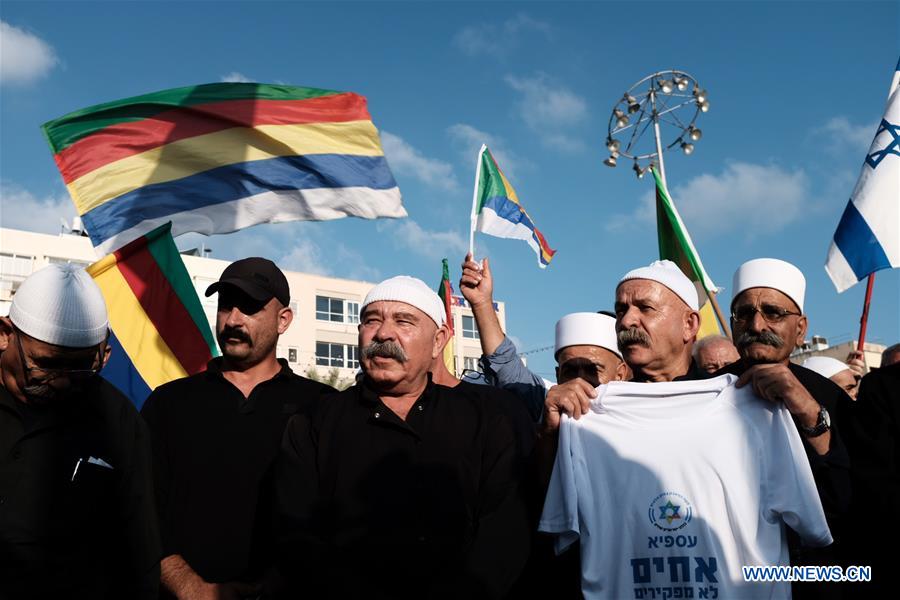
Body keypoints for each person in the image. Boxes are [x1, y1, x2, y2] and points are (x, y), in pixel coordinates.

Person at [274, 275, 531, 598]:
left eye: (403, 321)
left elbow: (505, 533)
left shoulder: (487, 419)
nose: (383, 333)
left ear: (439, 341)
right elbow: (296, 534)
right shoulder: (315, 422)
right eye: (371, 320)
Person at [140, 257, 333, 599]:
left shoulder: (323, 406)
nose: (233, 320)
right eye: (226, 305)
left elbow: (337, 517)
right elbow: (141, 508)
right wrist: (190, 587)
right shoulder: (169, 403)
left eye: (250, 307)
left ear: (283, 319)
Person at [0, 264, 160, 599]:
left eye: (79, 368)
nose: (61, 381)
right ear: (4, 334)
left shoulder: (120, 423)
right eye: (45, 364)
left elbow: (138, 552)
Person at [716, 258, 852, 599]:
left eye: (773, 313)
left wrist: (806, 408)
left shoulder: (831, 398)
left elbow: (850, 497)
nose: (757, 324)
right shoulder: (700, 389)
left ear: (801, 328)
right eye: (743, 314)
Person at [459, 253, 628, 423]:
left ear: (621, 373)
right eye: (570, 370)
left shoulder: (642, 411)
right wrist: (482, 304)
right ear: (557, 374)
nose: (580, 380)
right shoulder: (548, 404)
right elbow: (504, 365)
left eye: (593, 370)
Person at [614, 260, 703, 384]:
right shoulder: (602, 400)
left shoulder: (727, 395)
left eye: (645, 308)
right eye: (620, 311)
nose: (626, 321)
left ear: (689, 324)